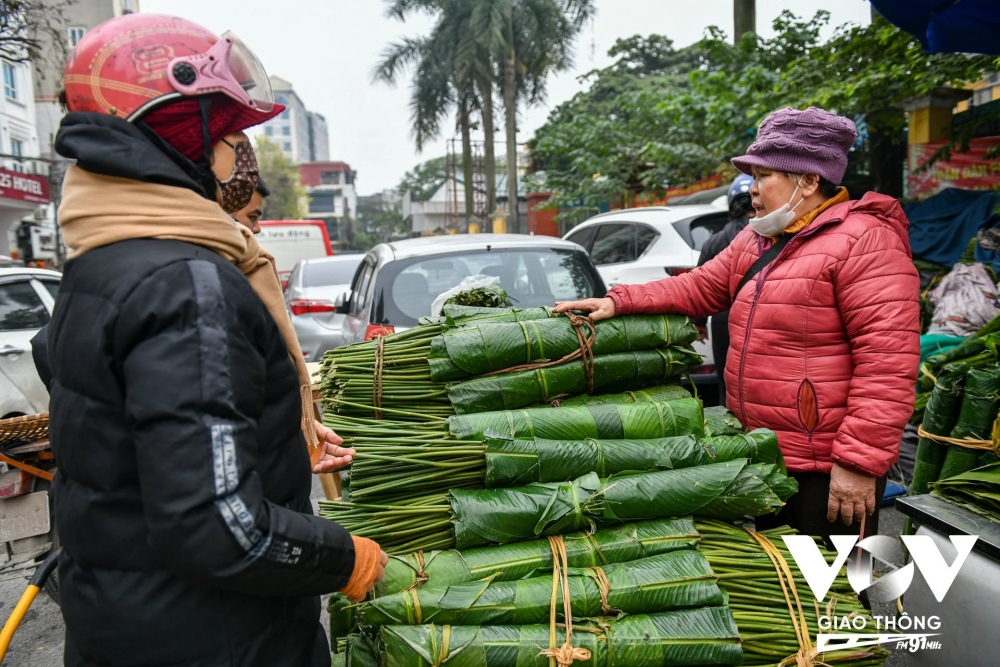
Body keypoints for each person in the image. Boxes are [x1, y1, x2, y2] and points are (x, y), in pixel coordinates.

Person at [40, 14, 385, 666]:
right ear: (179, 127)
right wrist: (345, 554)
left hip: (125, 626)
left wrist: (271, 431)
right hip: (218, 639)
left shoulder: (100, 261)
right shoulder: (186, 282)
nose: (231, 153)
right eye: (223, 130)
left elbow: (143, 435)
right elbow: (218, 530)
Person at [555, 107, 920, 543]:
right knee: (784, 593)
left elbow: (887, 364)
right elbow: (699, 287)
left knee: (833, 594)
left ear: (808, 180)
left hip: (826, 466)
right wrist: (620, 300)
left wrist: (858, 464)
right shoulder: (758, 239)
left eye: (764, 175)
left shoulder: (865, 242)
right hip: (764, 453)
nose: (752, 189)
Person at [697, 174, 755, 404]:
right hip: (763, 318)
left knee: (727, 382)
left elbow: (700, 283)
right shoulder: (773, 235)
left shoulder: (715, 241)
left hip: (724, 320)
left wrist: (699, 322)